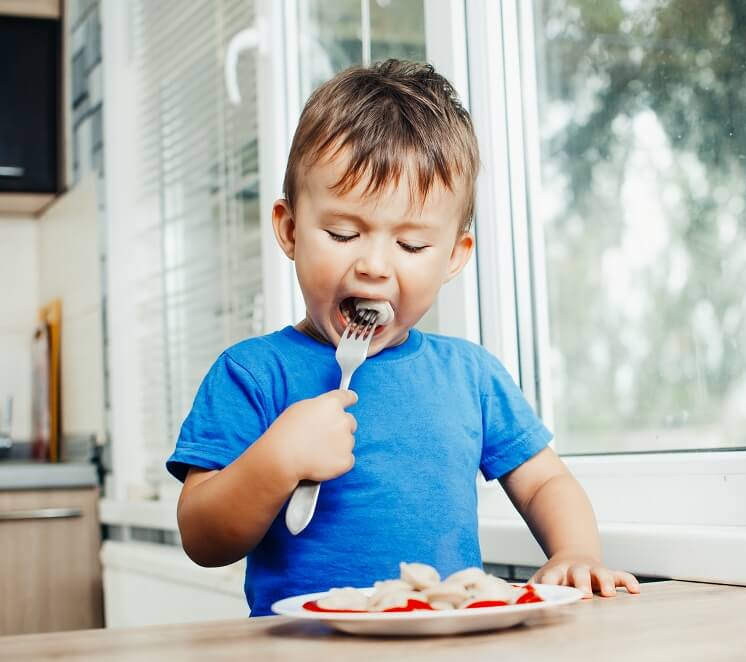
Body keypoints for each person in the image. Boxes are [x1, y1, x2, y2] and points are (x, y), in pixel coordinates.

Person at [167, 59, 640, 616]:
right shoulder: (252, 373)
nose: (373, 265)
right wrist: (275, 462)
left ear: (453, 258)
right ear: (290, 230)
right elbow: (202, 538)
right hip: (304, 651)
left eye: (412, 246)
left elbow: (542, 484)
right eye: (343, 233)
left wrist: (576, 551)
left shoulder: (471, 376)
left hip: (447, 641)